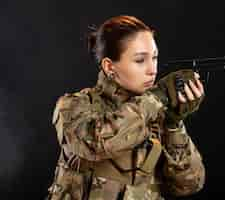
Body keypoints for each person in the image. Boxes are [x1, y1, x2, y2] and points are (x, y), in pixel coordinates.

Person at [47, 15, 205, 200]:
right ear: (109, 66)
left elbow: (187, 185)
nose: (152, 70)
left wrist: (173, 124)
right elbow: (95, 143)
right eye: (140, 60)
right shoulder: (74, 106)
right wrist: (155, 98)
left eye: (154, 58)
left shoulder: (156, 112)